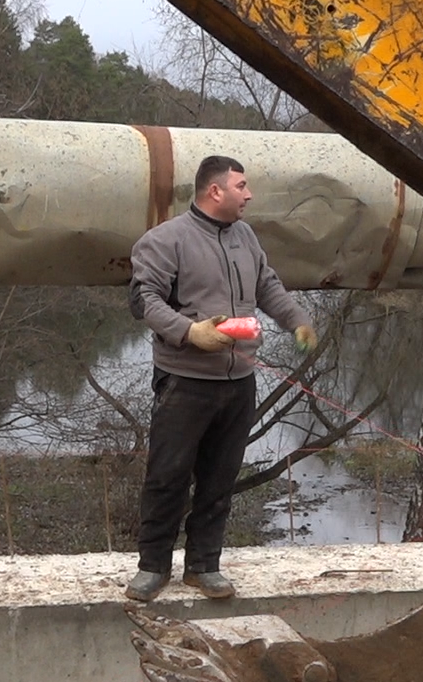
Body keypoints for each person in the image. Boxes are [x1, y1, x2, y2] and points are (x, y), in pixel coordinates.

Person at [125, 155, 316, 602]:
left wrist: (297, 320)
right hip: (184, 381)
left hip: (239, 382)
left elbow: (267, 285)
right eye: (242, 186)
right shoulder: (166, 240)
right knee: (168, 476)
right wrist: (189, 332)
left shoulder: (245, 236)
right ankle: (152, 567)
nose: (249, 195)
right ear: (216, 191)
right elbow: (143, 300)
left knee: (220, 478)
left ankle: (203, 566)